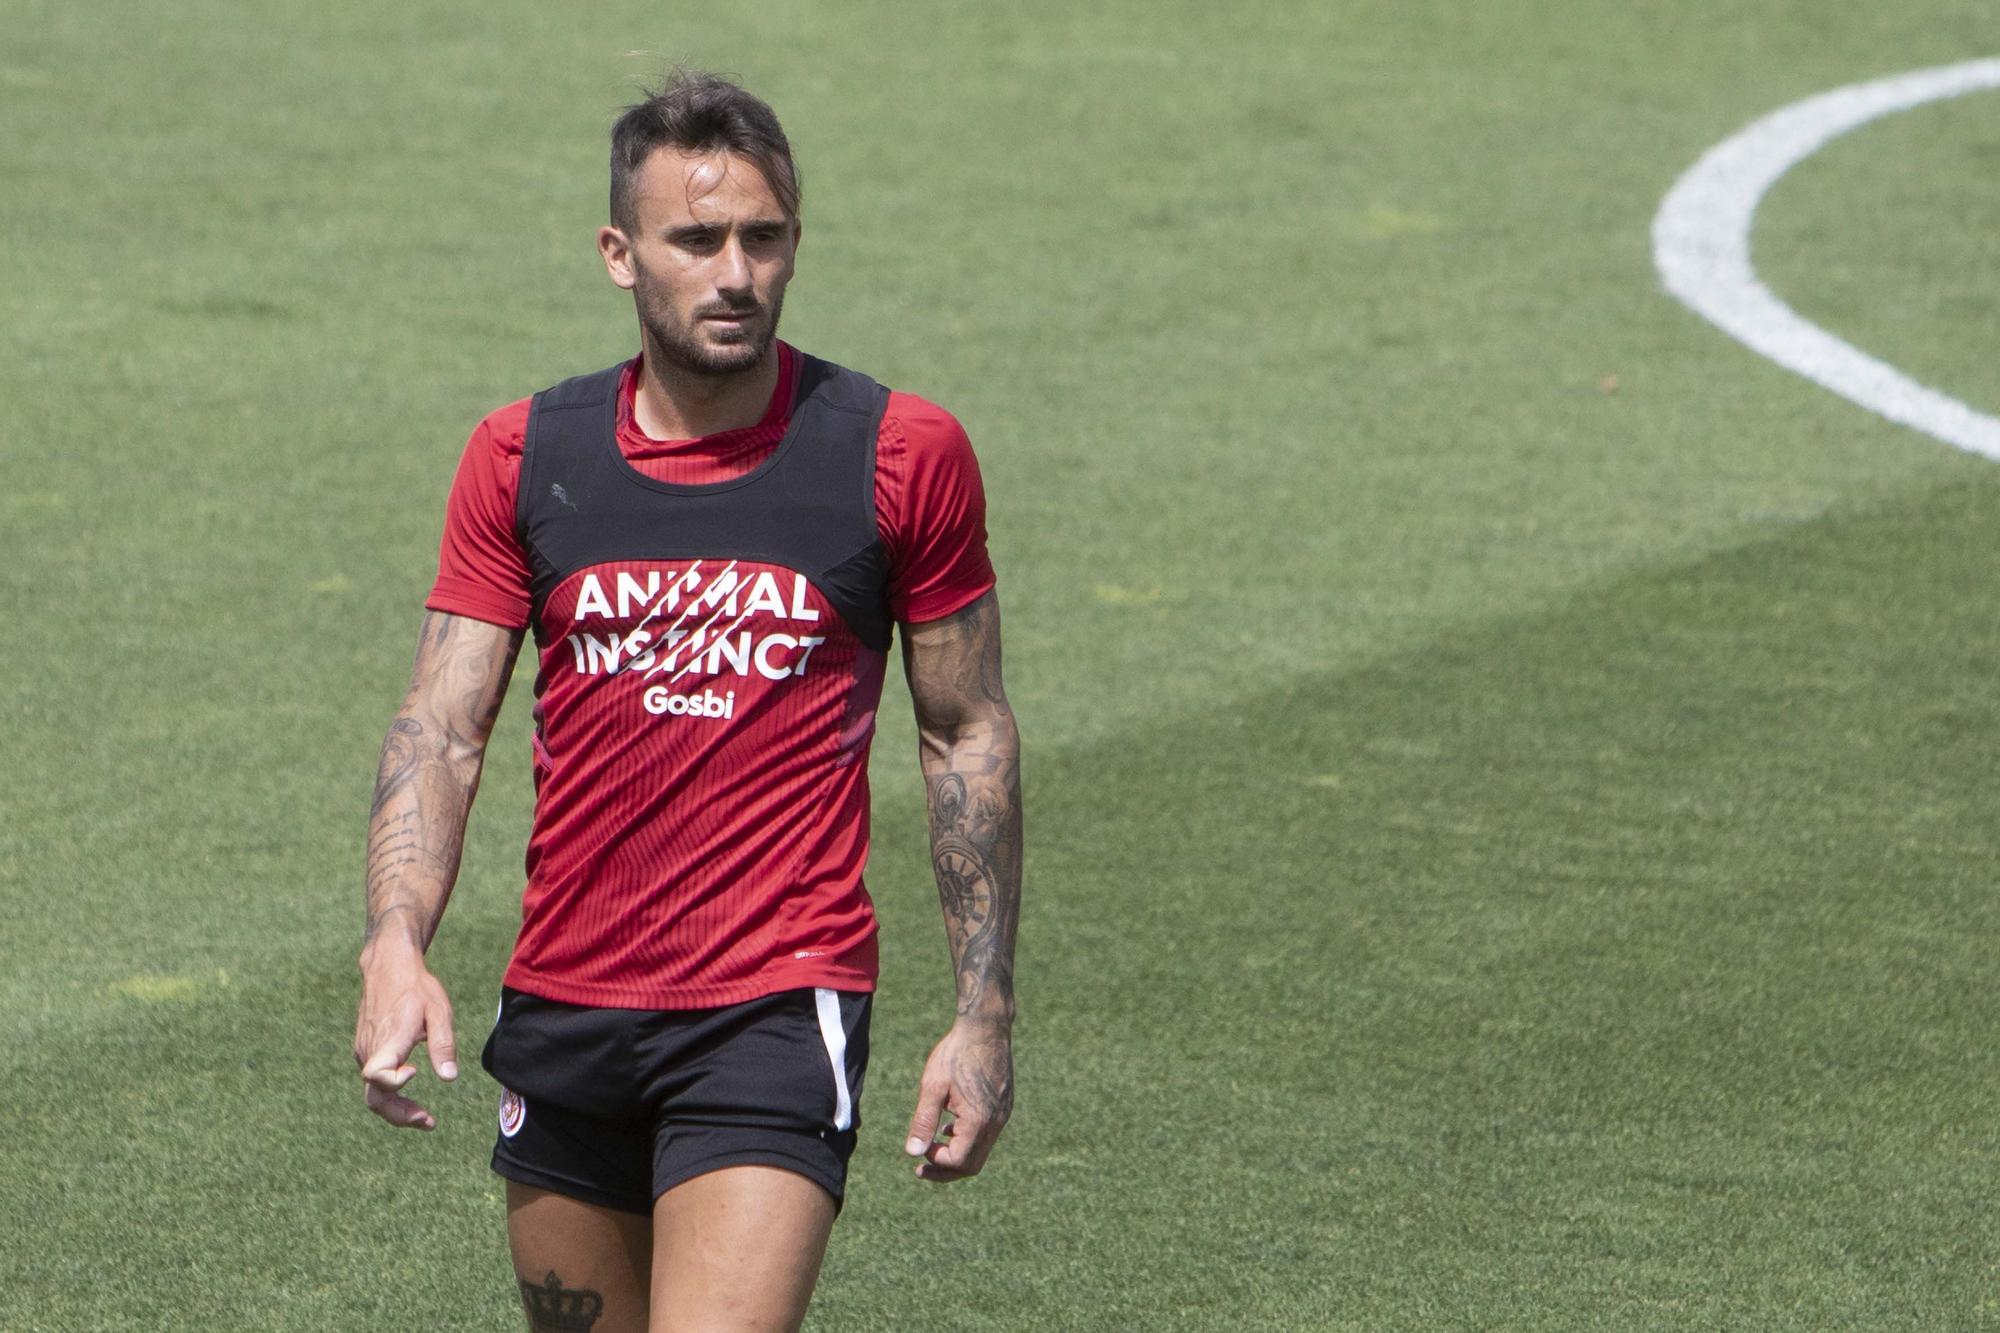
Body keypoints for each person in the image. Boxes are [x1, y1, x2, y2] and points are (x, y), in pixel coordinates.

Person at [352, 70, 1021, 1333]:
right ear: (618, 254)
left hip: (771, 1003)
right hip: (565, 1003)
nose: (735, 273)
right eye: (695, 239)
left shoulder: (894, 452)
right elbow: (441, 724)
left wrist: (980, 1016)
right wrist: (396, 944)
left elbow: (964, 729)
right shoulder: (525, 457)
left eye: (762, 239)